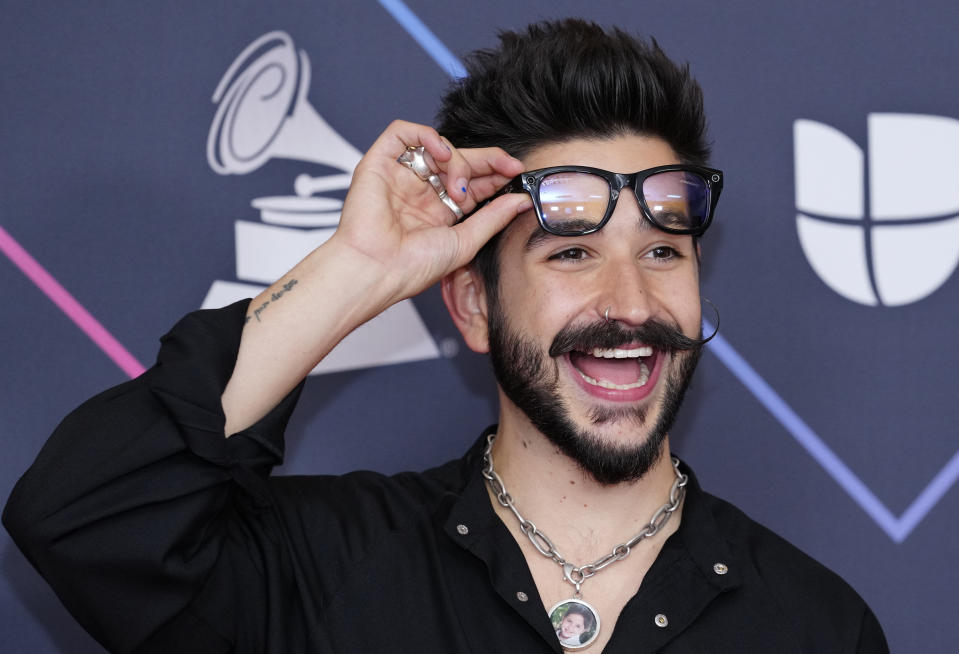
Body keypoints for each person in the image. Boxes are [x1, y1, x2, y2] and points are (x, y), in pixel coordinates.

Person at [4, 19, 887, 654]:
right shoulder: (321, 573)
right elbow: (84, 516)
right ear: (469, 305)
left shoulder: (816, 626)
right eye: (571, 253)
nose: (630, 302)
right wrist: (358, 269)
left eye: (663, 250)